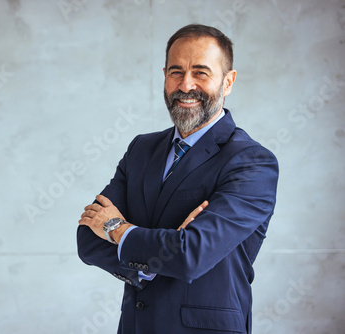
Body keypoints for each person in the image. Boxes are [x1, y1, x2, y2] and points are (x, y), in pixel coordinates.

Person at [77, 23, 279, 333]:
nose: (186, 85)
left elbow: (190, 254)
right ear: (164, 76)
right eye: (176, 72)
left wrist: (116, 228)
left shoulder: (251, 162)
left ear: (228, 82)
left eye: (201, 72)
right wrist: (153, 261)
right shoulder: (141, 149)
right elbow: (87, 240)